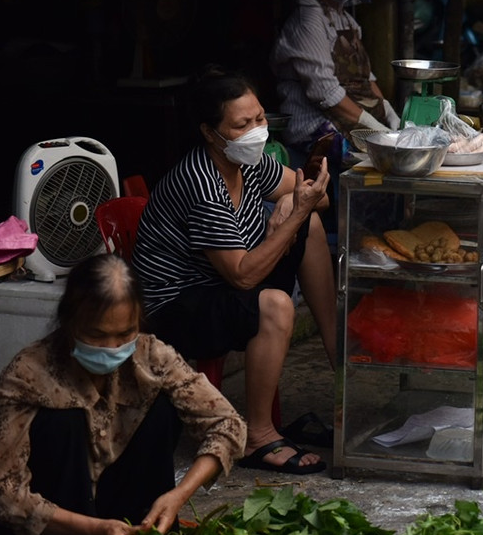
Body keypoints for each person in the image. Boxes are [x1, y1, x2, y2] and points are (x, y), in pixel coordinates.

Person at [0, 254, 246, 535]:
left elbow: (227, 424)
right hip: (39, 516)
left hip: (105, 500)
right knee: (62, 421)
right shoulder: (29, 373)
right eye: (97, 335)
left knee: (161, 409)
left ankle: (141, 530)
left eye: (125, 333)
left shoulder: (150, 355)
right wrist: (95, 530)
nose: (112, 348)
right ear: (70, 321)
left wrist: (178, 496)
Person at [132, 65, 337, 475]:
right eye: (243, 124)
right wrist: (295, 210)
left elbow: (317, 198)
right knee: (276, 305)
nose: (258, 130)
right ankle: (257, 436)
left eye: (260, 118)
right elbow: (242, 276)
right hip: (176, 305)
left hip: (220, 284)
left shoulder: (248, 163)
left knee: (311, 225)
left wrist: (292, 205)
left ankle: (342, 368)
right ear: (212, 133)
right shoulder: (202, 183)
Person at [271, 0, 402, 166]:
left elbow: (365, 78)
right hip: (315, 127)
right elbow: (325, 92)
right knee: (378, 162)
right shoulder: (308, 19)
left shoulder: (347, 20)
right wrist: (373, 127)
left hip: (350, 120)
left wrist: (387, 112)